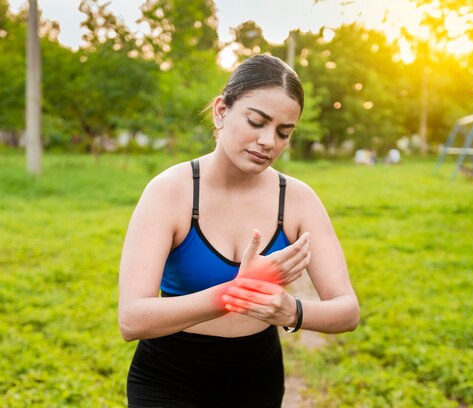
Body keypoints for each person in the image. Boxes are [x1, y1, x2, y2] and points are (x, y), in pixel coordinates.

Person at [118, 54, 360, 407]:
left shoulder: (297, 200)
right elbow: (132, 319)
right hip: (168, 379)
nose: (268, 142)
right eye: (256, 121)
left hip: (256, 378)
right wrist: (239, 292)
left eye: (283, 132)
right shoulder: (170, 191)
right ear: (221, 111)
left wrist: (290, 310)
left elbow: (347, 310)